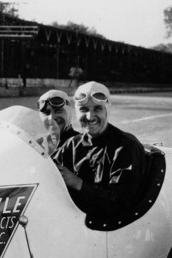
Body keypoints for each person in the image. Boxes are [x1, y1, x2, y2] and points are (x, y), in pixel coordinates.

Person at [53, 81, 148, 218]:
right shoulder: (71, 145)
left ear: (107, 111)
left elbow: (119, 203)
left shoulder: (126, 147)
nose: (90, 117)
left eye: (97, 109)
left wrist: (77, 183)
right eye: (84, 109)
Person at [34, 89, 79, 155]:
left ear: (69, 113)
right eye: (47, 113)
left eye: (58, 111)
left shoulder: (81, 144)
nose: (52, 118)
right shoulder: (37, 146)